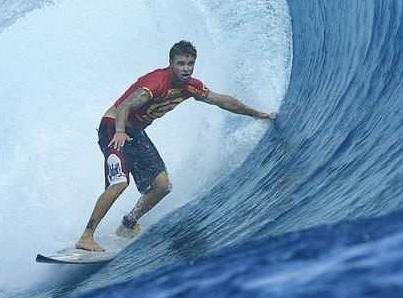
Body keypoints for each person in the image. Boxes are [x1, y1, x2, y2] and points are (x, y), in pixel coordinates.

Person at [75, 40, 276, 252]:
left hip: (135, 132)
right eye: (181, 63)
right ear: (171, 63)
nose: (186, 68)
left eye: (190, 63)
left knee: (162, 186)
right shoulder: (156, 84)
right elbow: (125, 105)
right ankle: (86, 236)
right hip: (113, 128)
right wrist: (120, 132)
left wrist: (257, 114)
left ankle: (128, 223)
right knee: (119, 183)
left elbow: (222, 101)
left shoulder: (191, 87)